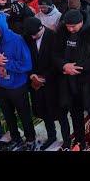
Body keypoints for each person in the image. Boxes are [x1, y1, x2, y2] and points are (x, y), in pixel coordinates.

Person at [53, 9, 90, 151]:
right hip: (69, 82)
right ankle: (80, 143)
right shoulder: (62, 30)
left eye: (74, 27)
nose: (71, 30)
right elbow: (55, 53)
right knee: (75, 115)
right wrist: (64, 66)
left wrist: (76, 68)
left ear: (81, 23)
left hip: (89, 83)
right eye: (68, 27)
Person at [0, 12, 37, 151]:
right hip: (2, 85)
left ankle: (31, 139)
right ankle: (16, 138)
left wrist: (7, 64)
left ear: (1, 28)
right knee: (8, 115)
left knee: (24, 114)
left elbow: (27, 65)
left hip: (17, 86)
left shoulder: (17, 40)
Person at [22, 17, 69, 150]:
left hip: (54, 83)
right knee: (45, 112)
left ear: (41, 28)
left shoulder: (54, 37)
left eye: (35, 35)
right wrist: (32, 75)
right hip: (36, 82)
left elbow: (58, 61)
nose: (33, 37)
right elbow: (26, 57)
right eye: (31, 35)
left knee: (61, 115)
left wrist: (44, 77)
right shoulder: (28, 37)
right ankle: (52, 136)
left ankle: (66, 141)